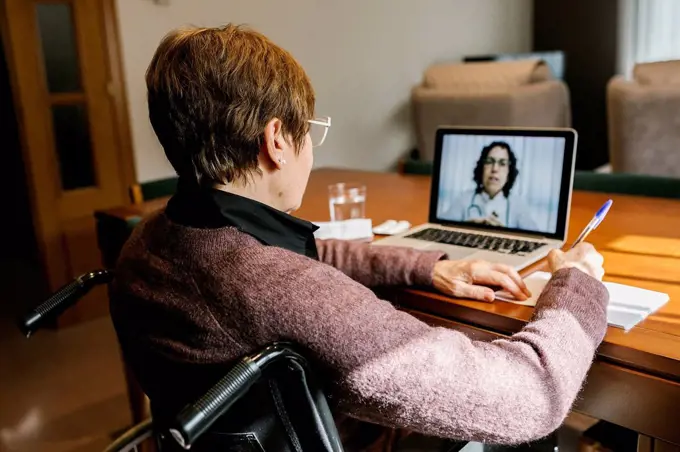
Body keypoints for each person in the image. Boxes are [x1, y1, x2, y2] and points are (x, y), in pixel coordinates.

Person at [110, 24, 609, 450]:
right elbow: (532, 396)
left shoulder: (149, 240)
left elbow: (305, 253)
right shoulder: (285, 290)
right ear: (277, 141)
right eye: (310, 131)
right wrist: (574, 283)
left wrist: (426, 266)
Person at [441, 141, 539, 230]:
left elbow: (538, 238)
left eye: (502, 163)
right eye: (489, 162)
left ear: (509, 172)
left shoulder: (518, 205)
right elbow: (440, 228)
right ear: (481, 168)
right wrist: (463, 228)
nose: (495, 169)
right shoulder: (464, 199)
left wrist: (505, 233)